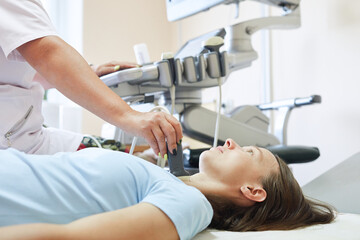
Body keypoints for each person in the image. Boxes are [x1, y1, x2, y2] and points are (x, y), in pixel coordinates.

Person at [0, 138, 335, 239]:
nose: (232, 142)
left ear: (253, 190)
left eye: (249, 152)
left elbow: (76, 238)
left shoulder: (189, 204)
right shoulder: (169, 181)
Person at [0, 0, 182, 156]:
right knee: (127, 167)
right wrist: (128, 116)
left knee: (121, 155)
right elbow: (46, 54)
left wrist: (89, 72)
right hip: (15, 148)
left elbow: (29, 69)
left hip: (21, 139)